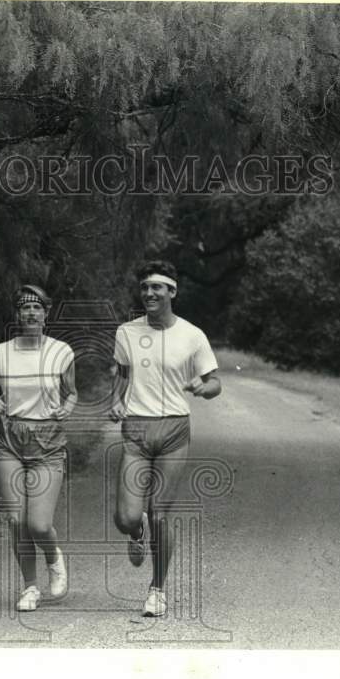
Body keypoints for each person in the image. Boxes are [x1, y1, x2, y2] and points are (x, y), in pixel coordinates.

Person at [109, 260, 221, 617]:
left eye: (156, 287)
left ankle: (157, 590)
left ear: (172, 291)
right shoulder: (126, 332)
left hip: (174, 428)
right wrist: (115, 400)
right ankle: (135, 531)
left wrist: (203, 388)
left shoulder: (192, 335)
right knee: (126, 518)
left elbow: (215, 382)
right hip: (137, 429)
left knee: (159, 513)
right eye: (144, 287)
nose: (148, 293)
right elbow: (123, 375)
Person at [0, 284, 77, 612]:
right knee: (16, 520)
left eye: (36, 307)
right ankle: (30, 587)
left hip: (47, 443)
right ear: (16, 314)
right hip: (8, 440)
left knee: (38, 524)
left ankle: (53, 557)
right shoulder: (0, 353)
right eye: (24, 307)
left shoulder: (61, 352)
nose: (30, 313)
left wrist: (68, 406)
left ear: (46, 314)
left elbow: (73, 392)